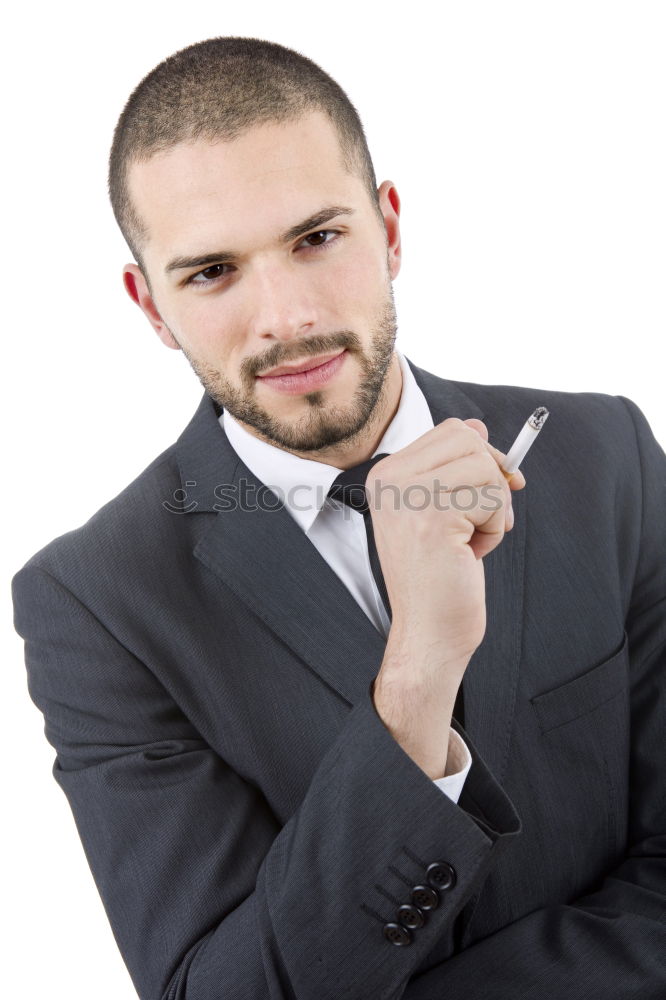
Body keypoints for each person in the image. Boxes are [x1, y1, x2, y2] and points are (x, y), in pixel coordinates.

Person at [11, 35, 665, 1000]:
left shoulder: (604, 456)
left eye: (317, 238)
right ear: (150, 307)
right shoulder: (97, 603)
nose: (286, 317)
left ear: (390, 228)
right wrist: (416, 682)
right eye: (212, 273)